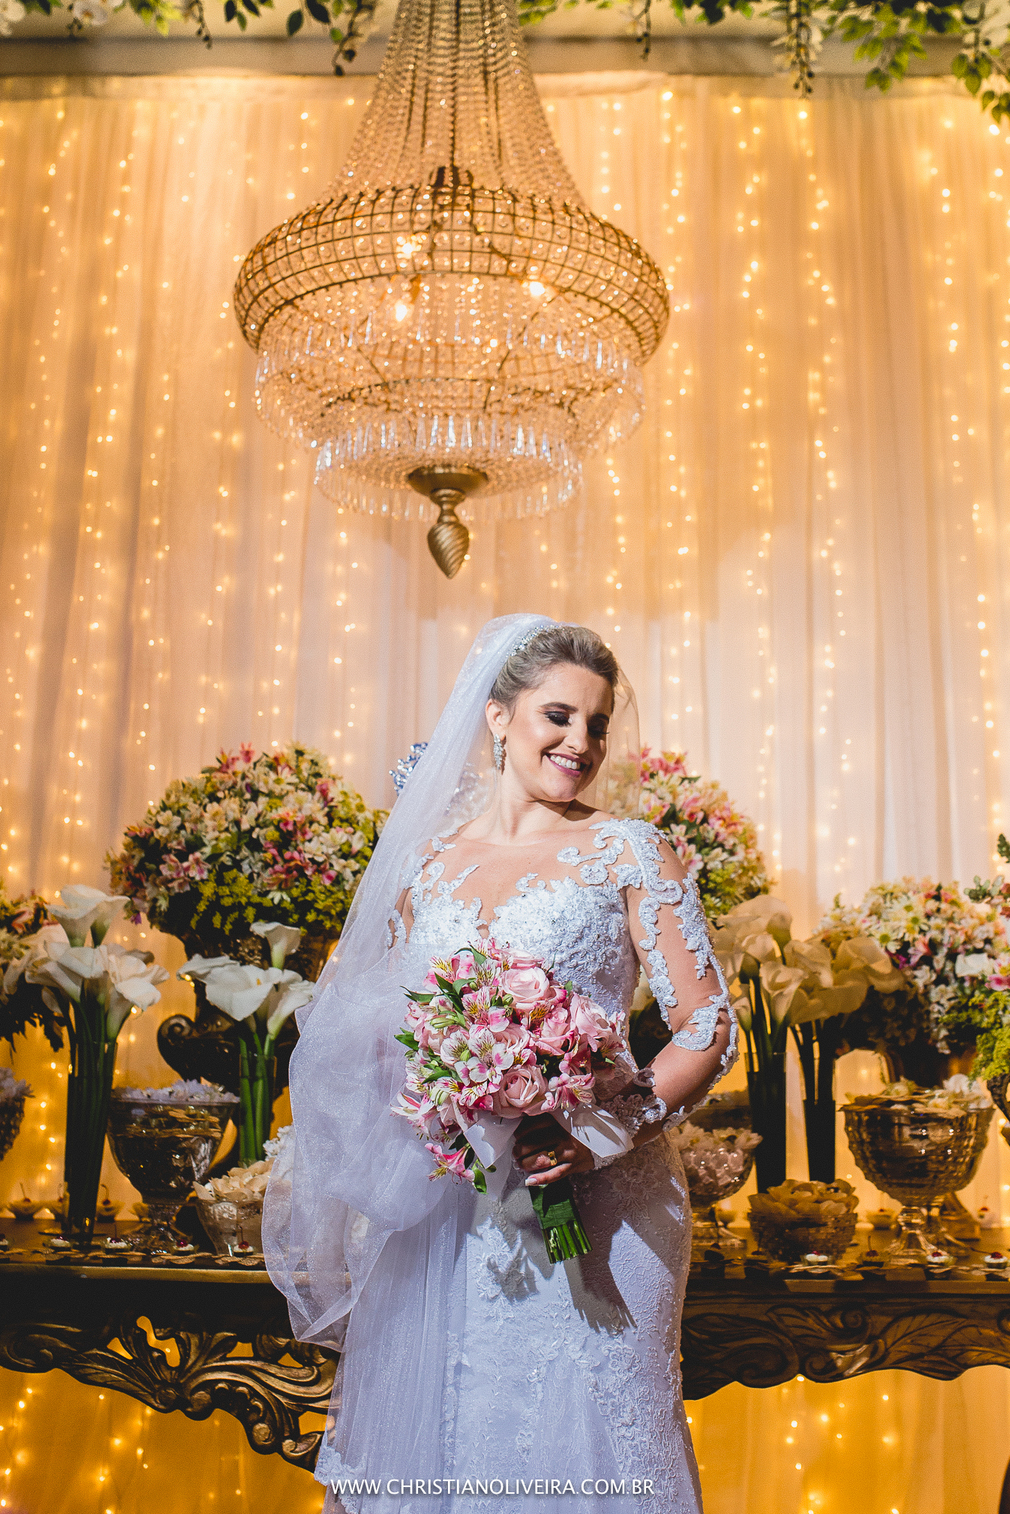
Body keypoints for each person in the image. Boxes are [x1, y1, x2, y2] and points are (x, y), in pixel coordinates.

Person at [264, 615, 736, 1514]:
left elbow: (706, 1026)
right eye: (559, 715)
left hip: (606, 1208)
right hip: (446, 1212)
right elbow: (381, 1028)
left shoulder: (630, 851)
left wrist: (597, 1132)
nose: (582, 743)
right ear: (496, 716)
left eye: (597, 724)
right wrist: (440, 1094)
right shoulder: (425, 864)